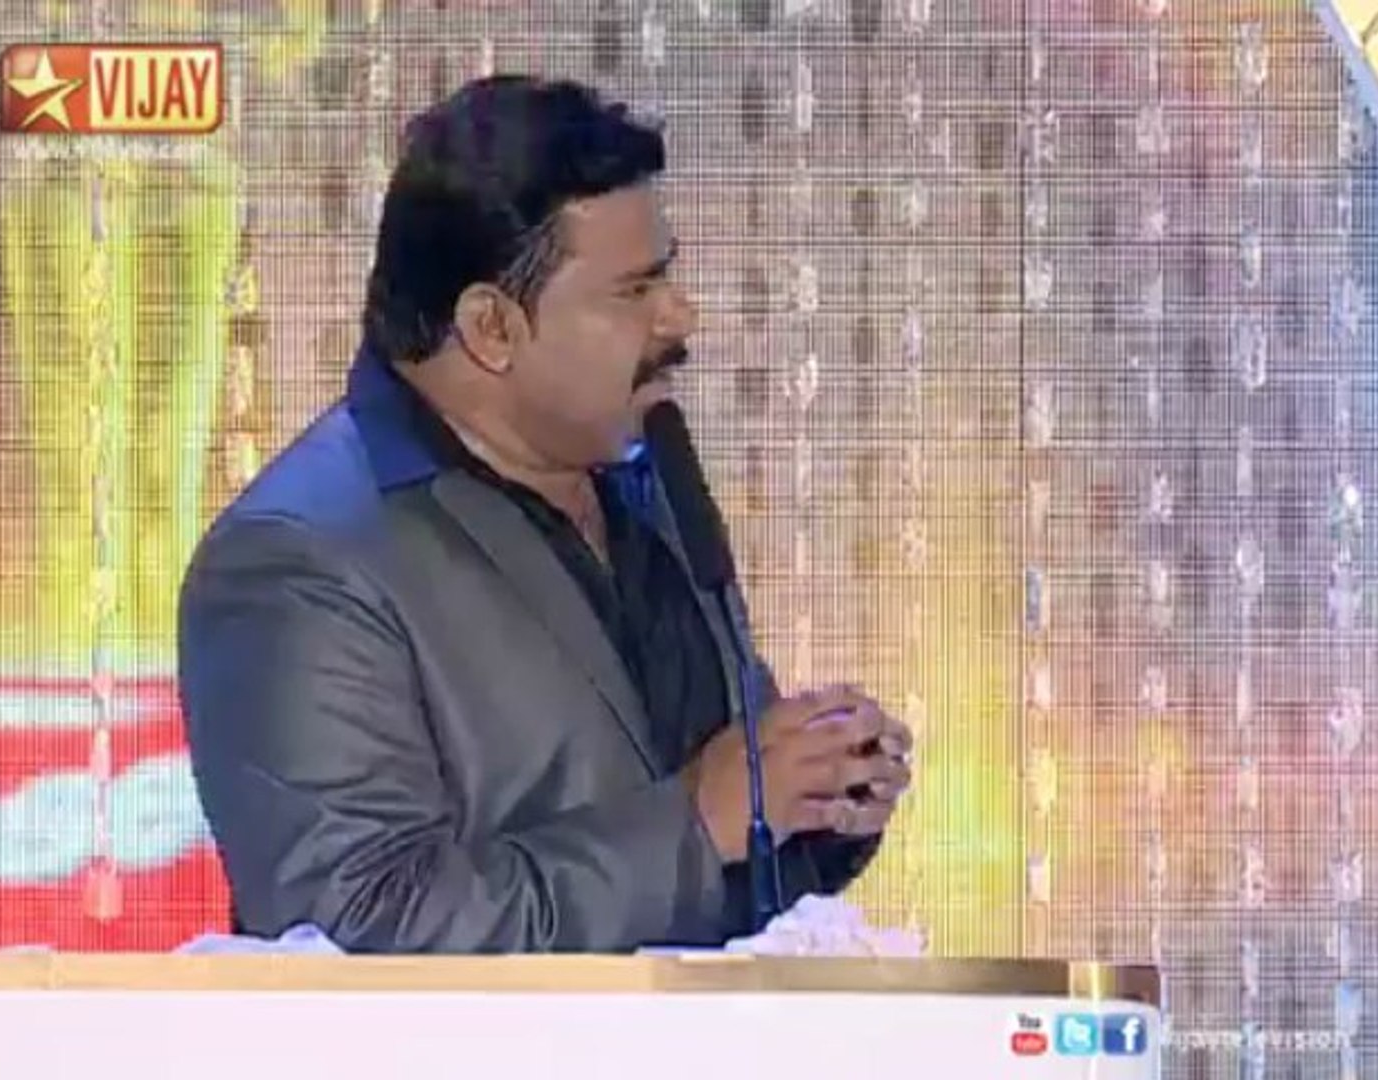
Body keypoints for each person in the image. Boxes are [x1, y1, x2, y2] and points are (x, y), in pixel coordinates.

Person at [178, 75, 913, 953]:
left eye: (668, 275)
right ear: (491, 327)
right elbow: (363, 933)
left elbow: (720, 831)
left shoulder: (642, 474)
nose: (680, 316)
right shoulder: (297, 563)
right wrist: (697, 821)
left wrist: (816, 801)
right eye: (635, 291)